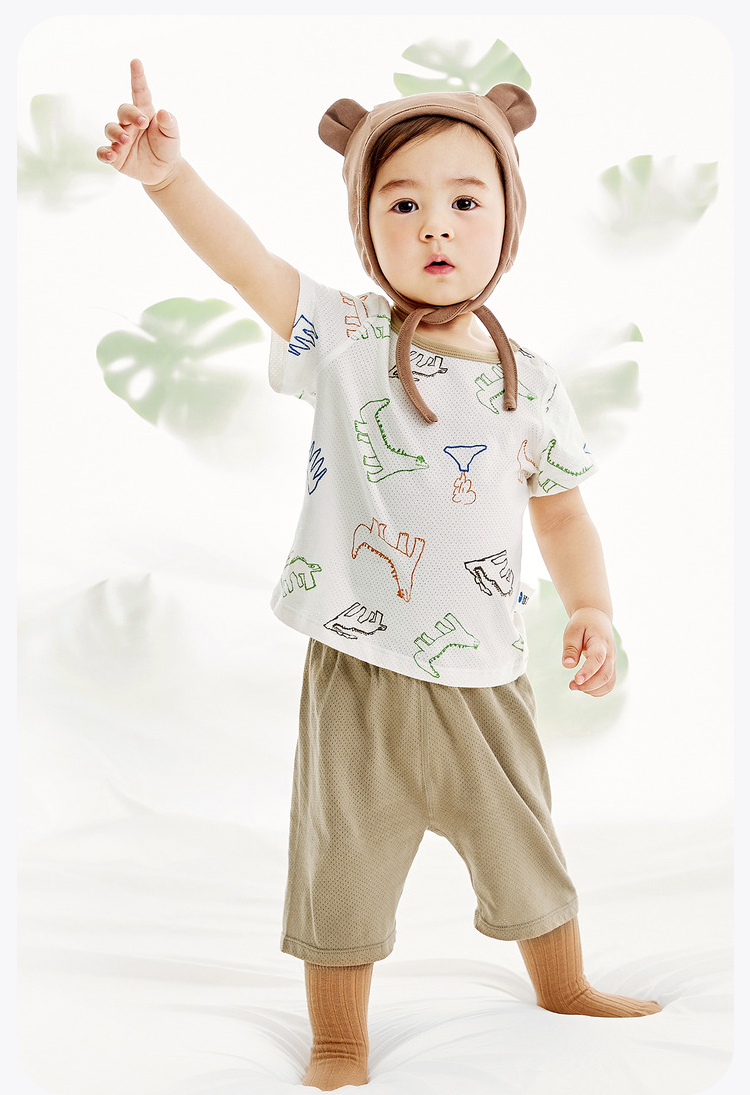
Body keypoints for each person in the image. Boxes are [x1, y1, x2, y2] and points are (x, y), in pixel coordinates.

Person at [98, 58, 662, 1092]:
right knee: (342, 863)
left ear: (508, 221)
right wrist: (170, 179)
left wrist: (592, 606)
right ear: (366, 224)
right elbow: (249, 266)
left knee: (526, 845)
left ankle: (565, 984)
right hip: (358, 670)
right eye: (402, 203)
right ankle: (340, 1040)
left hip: (486, 676)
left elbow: (563, 509)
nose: (435, 225)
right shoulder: (348, 339)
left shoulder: (532, 383)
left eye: (465, 201)